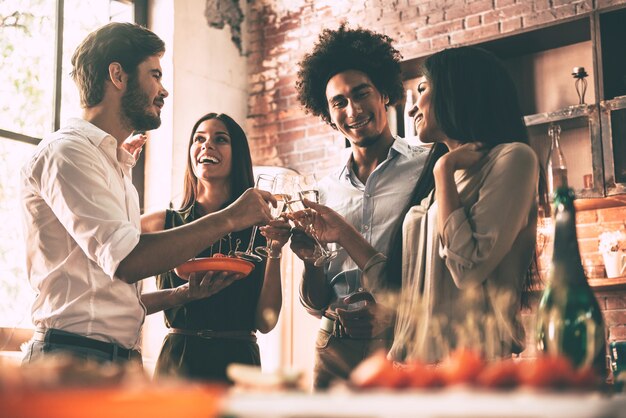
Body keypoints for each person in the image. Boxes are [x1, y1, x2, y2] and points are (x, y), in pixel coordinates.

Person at [20, 22, 274, 366]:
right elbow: (128, 262)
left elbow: (110, 294)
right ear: (118, 76)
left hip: (115, 358)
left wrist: (181, 294)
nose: (164, 90)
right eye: (155, 74)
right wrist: (230, 218)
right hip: (74, 358)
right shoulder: (69, 153)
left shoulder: (113, 164)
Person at [298, 45, 544, 364]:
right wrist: (342, 232)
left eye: (423, 89)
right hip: (418, 365)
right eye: (339, 102)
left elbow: (467, 269)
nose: (412, 108)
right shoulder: (436, 183)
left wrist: (442, 171)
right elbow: (399, 287)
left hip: (475, 365)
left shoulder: (511, 159)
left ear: (457, 88)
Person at [293, 24, 429, 388]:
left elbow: (439, 268)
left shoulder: (428, 167)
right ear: (328, 113)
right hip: (333, 347)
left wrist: (397, 315)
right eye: (338, 102)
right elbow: (313, 303)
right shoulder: (323, 192)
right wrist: (311, 261)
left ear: (383, 92)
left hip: (403, 344)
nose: (352, 109)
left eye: (361, 93)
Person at [140, 113, 291, 382]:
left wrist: (276, 251)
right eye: (199, 139)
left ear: (239, 155)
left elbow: (265, 323)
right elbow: (107, 253)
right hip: (178, 361)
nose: (207, 145)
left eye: (220, 139)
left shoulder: (260, 228)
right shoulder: (161, 223)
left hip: (238, 362)